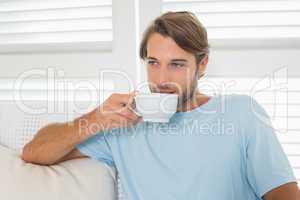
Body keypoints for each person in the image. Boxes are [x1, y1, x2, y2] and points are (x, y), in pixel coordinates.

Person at [22, 11, 300, 199]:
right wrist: (96, 117)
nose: (162, 79)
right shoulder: (124, 122)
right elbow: (35, 152)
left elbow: (285, 194)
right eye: (153, 63)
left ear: (202, 64)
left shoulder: (242, 114)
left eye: (176, 65)